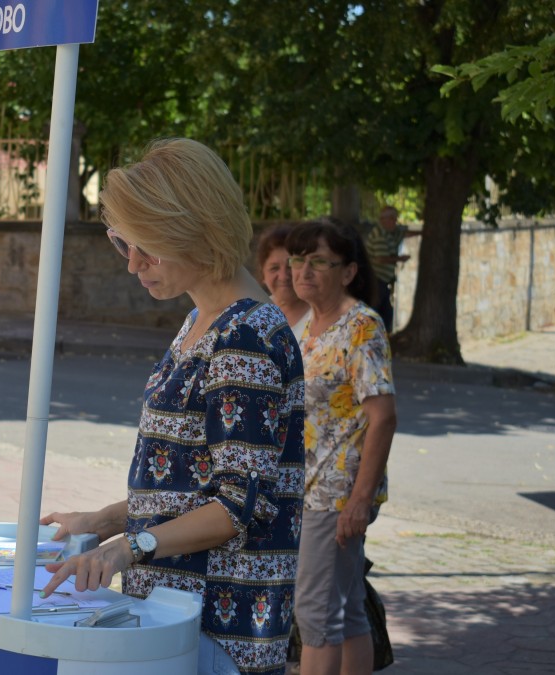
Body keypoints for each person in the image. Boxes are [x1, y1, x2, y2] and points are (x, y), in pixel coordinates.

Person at [39, 138, 306, 675]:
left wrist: (124, 547)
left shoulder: (243, 340)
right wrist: (108, 518)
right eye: (123, 243)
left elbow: (235, 506)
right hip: (183, 617)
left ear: (199, 231)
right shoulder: (203, 321)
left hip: (213, 628)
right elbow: (192, 484)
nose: (133, 264)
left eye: (148, 246)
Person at [285, 220, 397, 675]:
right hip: (305, 490)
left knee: (315, 616)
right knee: (347, 611)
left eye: (317, 261)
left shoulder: (361, 326)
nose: (303, 270)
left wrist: (359, 500)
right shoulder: (307, 325)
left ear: (348, 271)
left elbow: (383, 416)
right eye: (297, 259)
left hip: (334, 495)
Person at [361, 206, 419, 332]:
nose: (395, 221)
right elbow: (380, 258)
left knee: (385, 314)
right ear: (383, 220)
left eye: (395, 218)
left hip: (383, 281)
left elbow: (405, 233)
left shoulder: (391, 232)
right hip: (376, 281)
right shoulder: (379, 235)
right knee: (379, 314)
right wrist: (399, 259)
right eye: (392, 218)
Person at [256, 223, 313, 342]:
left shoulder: (320, 316)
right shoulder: (255, 314)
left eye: (290, 266)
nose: (283, 276)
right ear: (263, 274)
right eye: (274, 268)